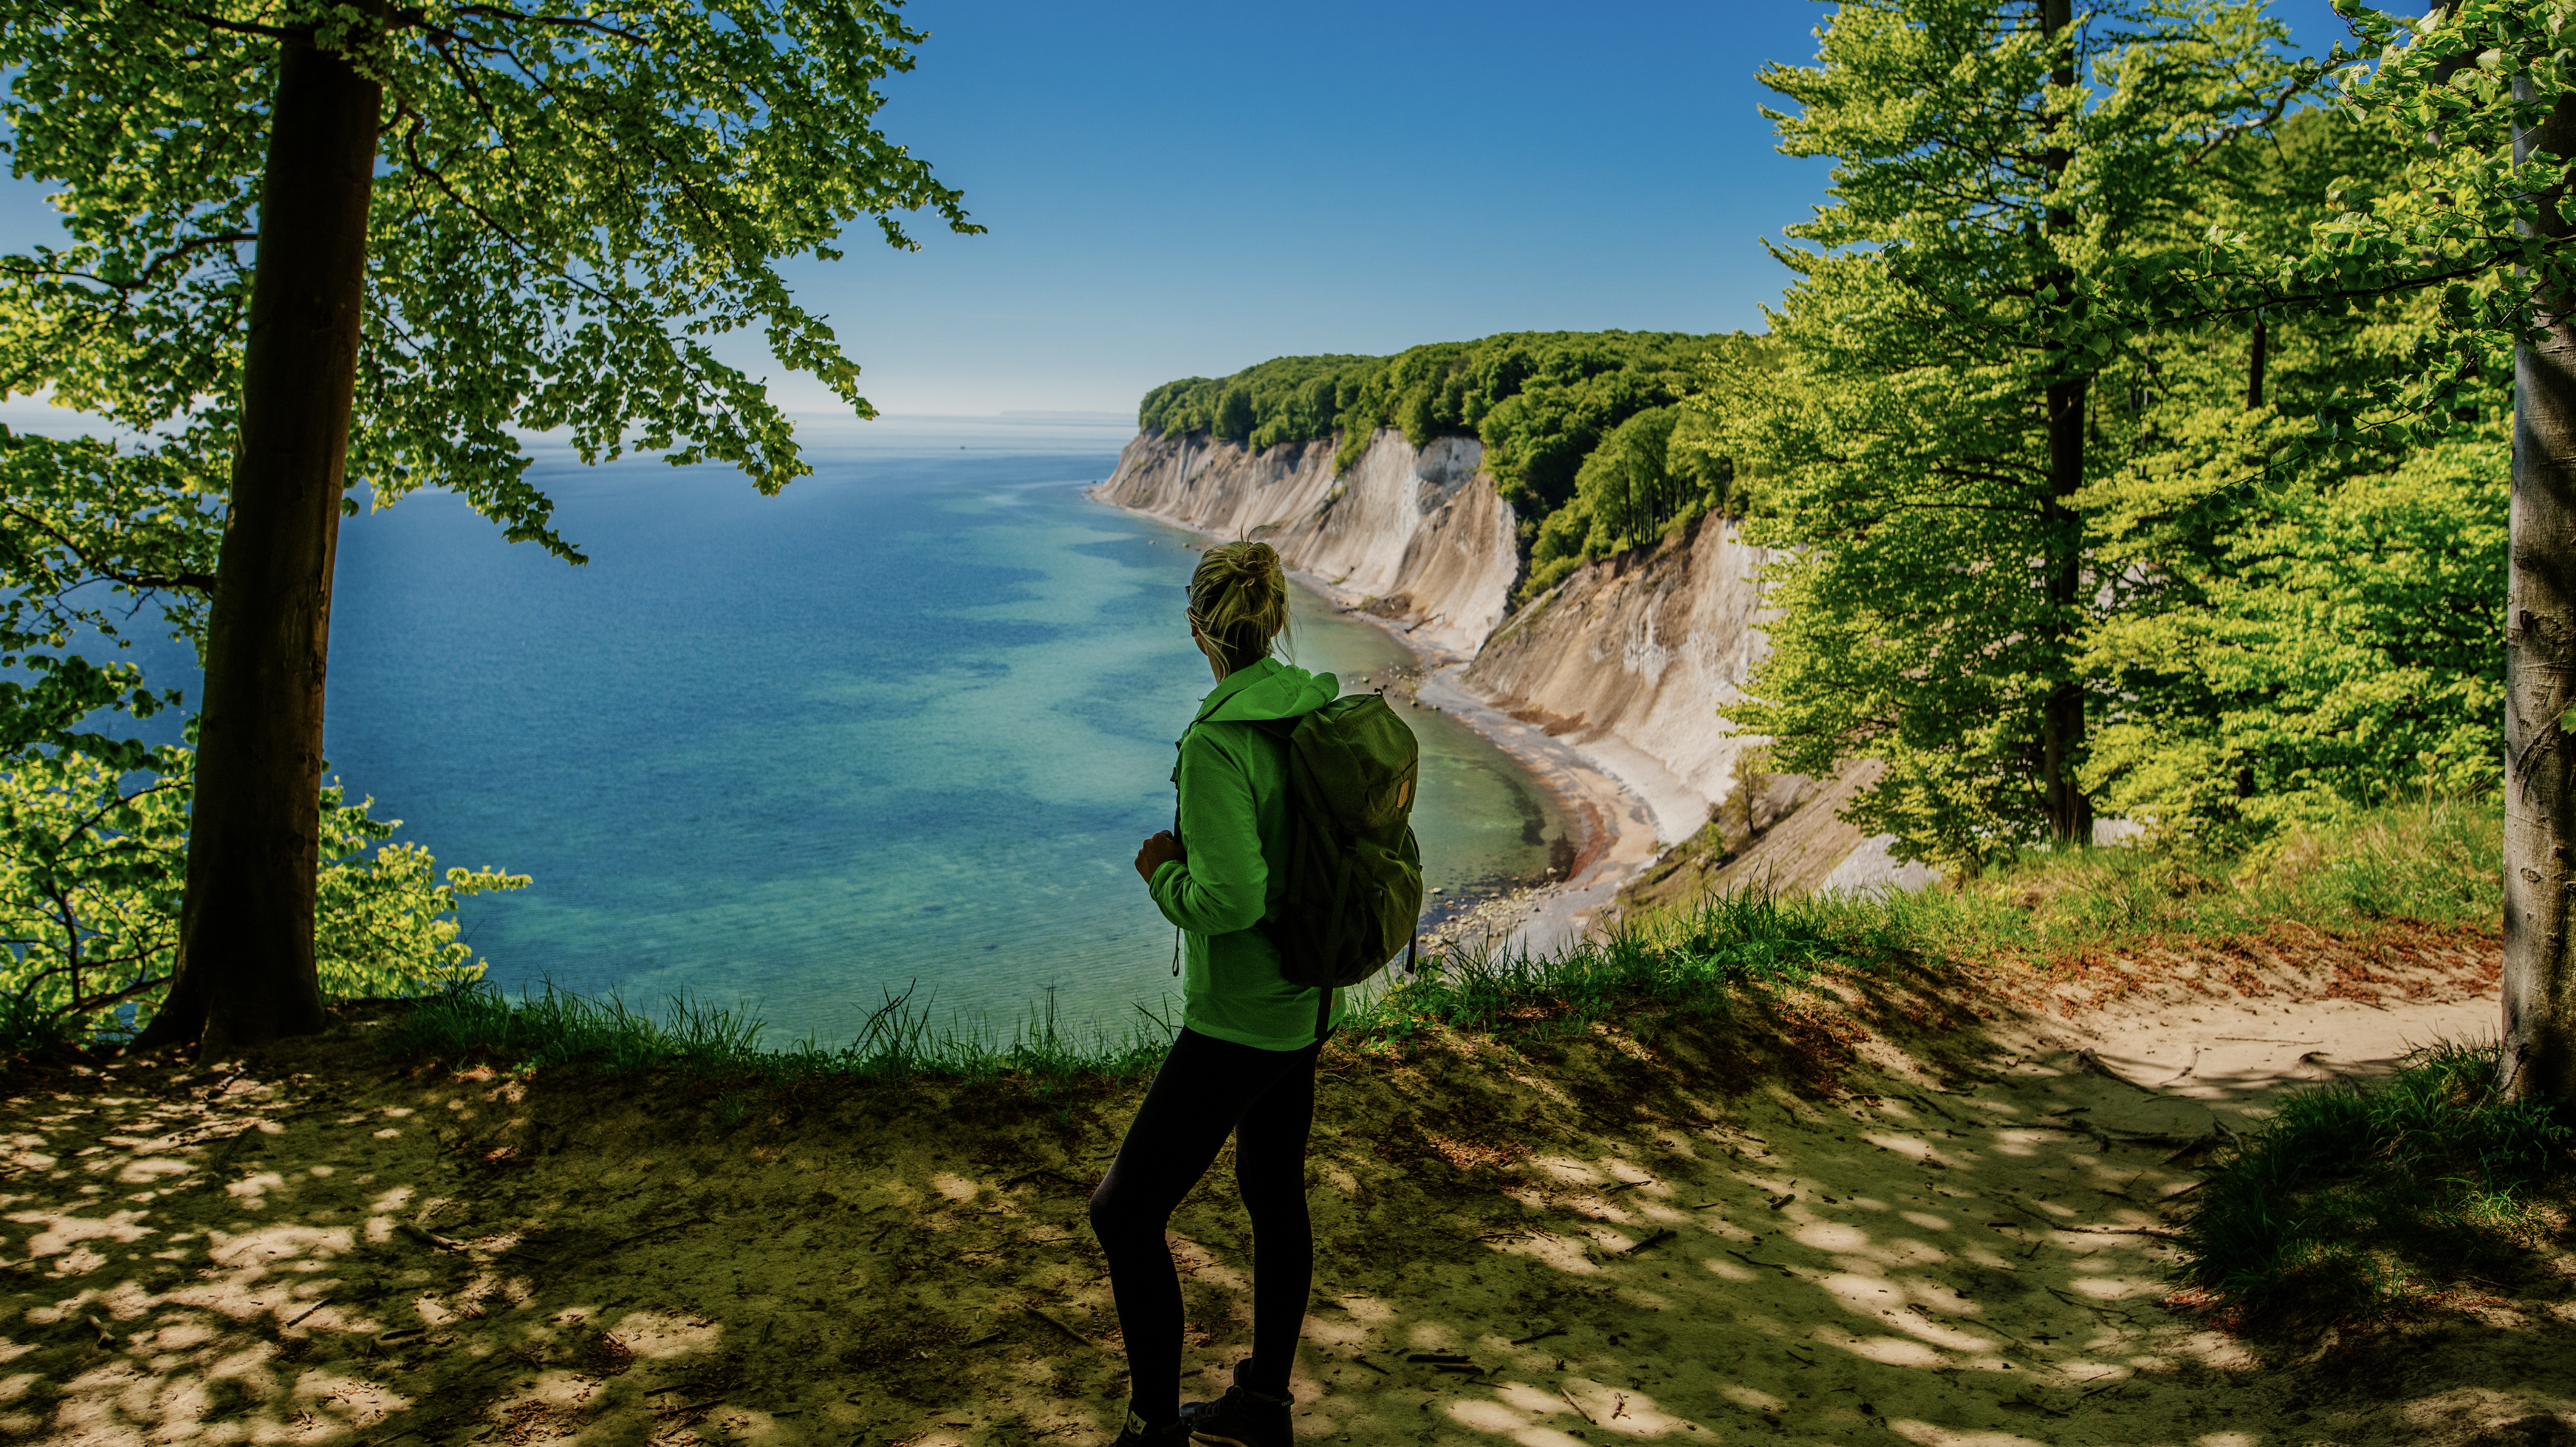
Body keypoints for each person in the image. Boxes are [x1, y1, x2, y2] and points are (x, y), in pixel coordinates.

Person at [1090, 540, 1340, 1447]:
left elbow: (1232, 897)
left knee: (1122, 1212)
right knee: (1272, 1189)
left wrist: (1163, 876)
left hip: (1244, 1018)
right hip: (1311, 997)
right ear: (1275, 622)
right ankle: (1261, 1407)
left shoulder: (1215, 743)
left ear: (1198, 630)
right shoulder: (1310, 706)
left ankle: (1153, 1428)